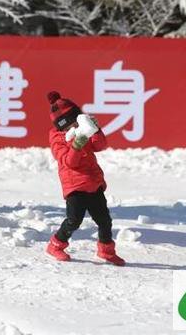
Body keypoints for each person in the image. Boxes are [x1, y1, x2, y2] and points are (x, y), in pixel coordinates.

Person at [45, 91, 125, 266]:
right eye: (66, 126)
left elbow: (100, 145)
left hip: (93, 182)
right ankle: (55, 245)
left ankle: (106, 251)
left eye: (74, 122)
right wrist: (76, 144)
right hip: (74, 186)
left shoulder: (82, 128)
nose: (70, 128)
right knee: (74, 220)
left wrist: (95, 130)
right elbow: (69, 162)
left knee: (104, 220)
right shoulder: (57, 138)